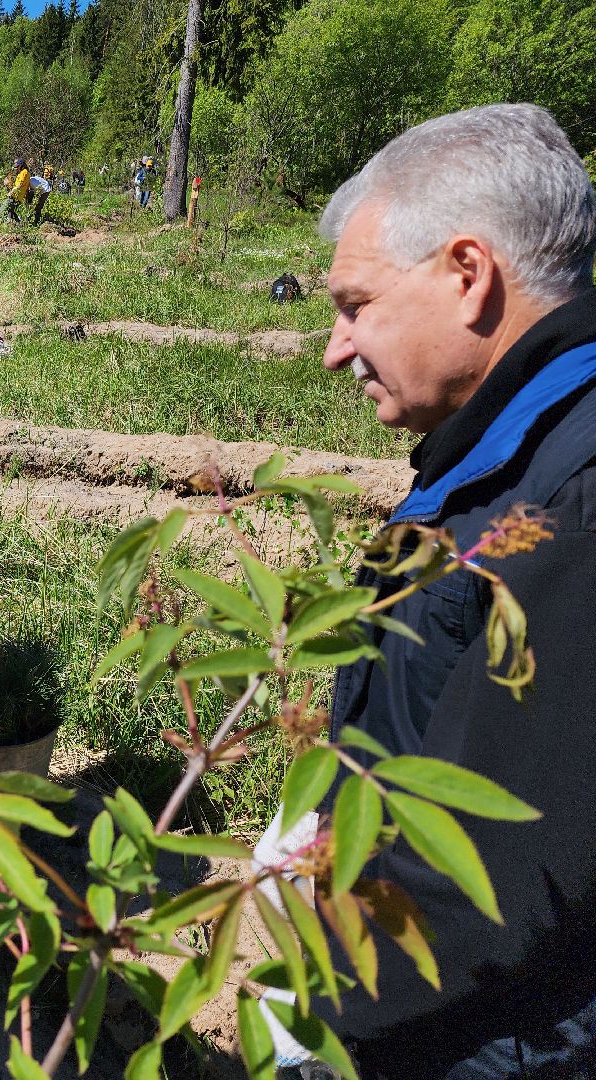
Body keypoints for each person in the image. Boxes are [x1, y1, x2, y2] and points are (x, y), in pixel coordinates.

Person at [261, 104, 596, 1079]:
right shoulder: (506, 449)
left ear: (467, 274)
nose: (334, 346)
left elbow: (500, 872)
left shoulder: (574, 497)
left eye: (355, 303)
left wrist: (323, 993)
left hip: (466, 1033)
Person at [0, 157, 30, 223]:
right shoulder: (21, 173)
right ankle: (15, 223)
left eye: (17, 166)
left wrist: (11, 192)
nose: (16, 168)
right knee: (10, 210)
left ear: (21, 165)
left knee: (3, 207)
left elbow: (19, 185)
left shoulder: (24, 172)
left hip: (15, 196)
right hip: (18, 196)